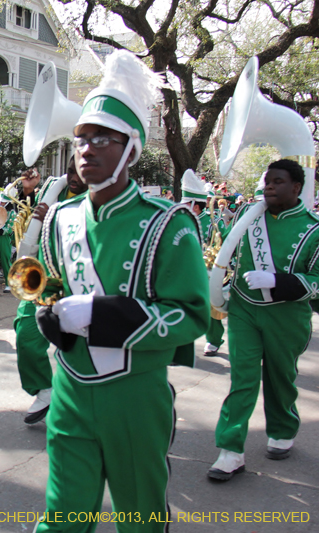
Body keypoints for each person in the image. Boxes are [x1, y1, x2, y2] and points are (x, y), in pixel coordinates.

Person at [33, 50, 209, 532]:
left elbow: (191, 315)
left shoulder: (169, 223)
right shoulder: (61, 218)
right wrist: (48, 313)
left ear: (131, 149)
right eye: (80, 139)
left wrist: (101, 313)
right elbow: (50, 287)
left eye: (101, 139)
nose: (86, 150)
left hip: (135, 395)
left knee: (140, 518)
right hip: (70, 387)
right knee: (62, 518)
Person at [209, 159, 319, 481]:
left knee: (279, 377)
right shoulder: (249, 214)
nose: (269, 186)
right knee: (242, 378)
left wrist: (277, 281)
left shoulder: (313, 228)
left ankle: (283, 428)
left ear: (296, 187)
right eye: (267, 180)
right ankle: (230, 449)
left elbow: (317, 279)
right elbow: (229, 249)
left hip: (286, 314)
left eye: (278, 181)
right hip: (244, 308)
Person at [12, 158, 87, 425]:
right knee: (25, 334)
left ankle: (79, 404)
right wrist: (28, 192)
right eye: (70, 171)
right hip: (42, 276)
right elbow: (28, 216)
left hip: (78, 280)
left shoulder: (99, 197)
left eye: (80, 172)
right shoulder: (54, 187)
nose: (74, 177)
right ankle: (44, 390)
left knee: (77, 346)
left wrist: (51, 218)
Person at [180, 170, 227, 358]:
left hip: (207, 271)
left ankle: (214, 340)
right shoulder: (179, 219)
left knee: (210, 307)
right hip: (184, 271)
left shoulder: (213, 222)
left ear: (196, 205)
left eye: (186, 204)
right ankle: (182, 344)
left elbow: (224, 245)